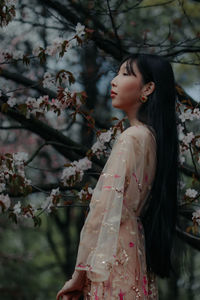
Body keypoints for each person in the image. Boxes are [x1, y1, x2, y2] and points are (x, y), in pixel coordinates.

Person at [56, 53, 179, 300]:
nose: (114, 81)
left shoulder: (131, 137)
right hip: (135, 252)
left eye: (125, 74)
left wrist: (79, 275)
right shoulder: (153, 139)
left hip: (111, 253)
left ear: (148, 88)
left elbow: (102, 210)